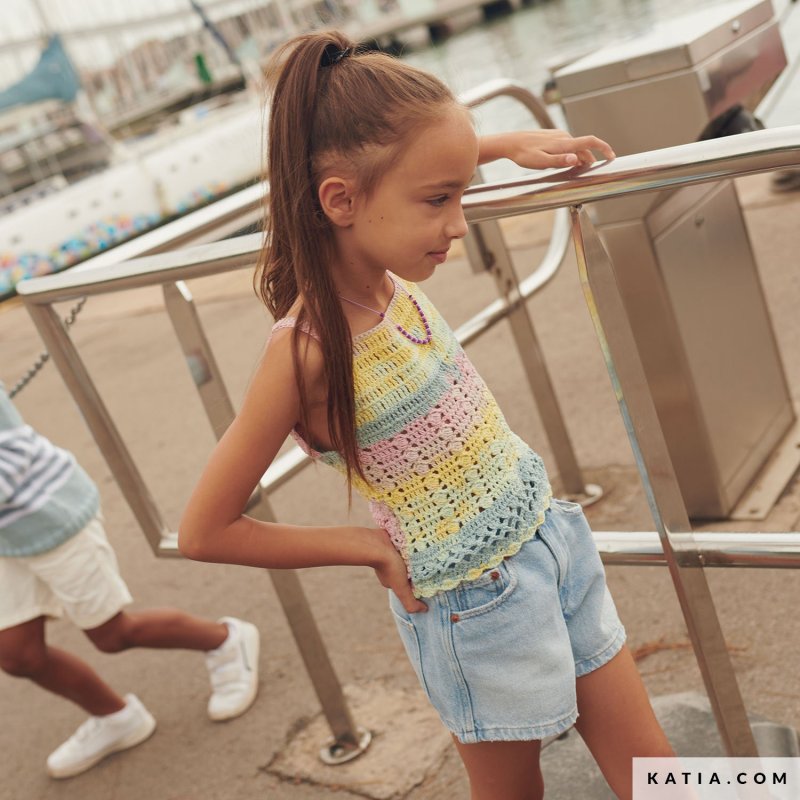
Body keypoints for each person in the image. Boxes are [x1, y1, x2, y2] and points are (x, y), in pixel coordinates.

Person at [179, 32, 674, 800]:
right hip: (473, 607)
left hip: (551, 543)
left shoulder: (385, 271)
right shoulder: (306, 350)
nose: (459, 223)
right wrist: (366, 548)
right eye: (440, 200)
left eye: (461, 193)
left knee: (659, 774)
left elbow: (408, 168)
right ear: (339, 201)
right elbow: (204, 530)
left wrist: (505, 146)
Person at [0, 384, 260, 779]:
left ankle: (225, 640)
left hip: (51, 514)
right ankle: (117, 719)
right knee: (18, 655)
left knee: (111, 635)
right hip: (6, 539)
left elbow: (11, 455)